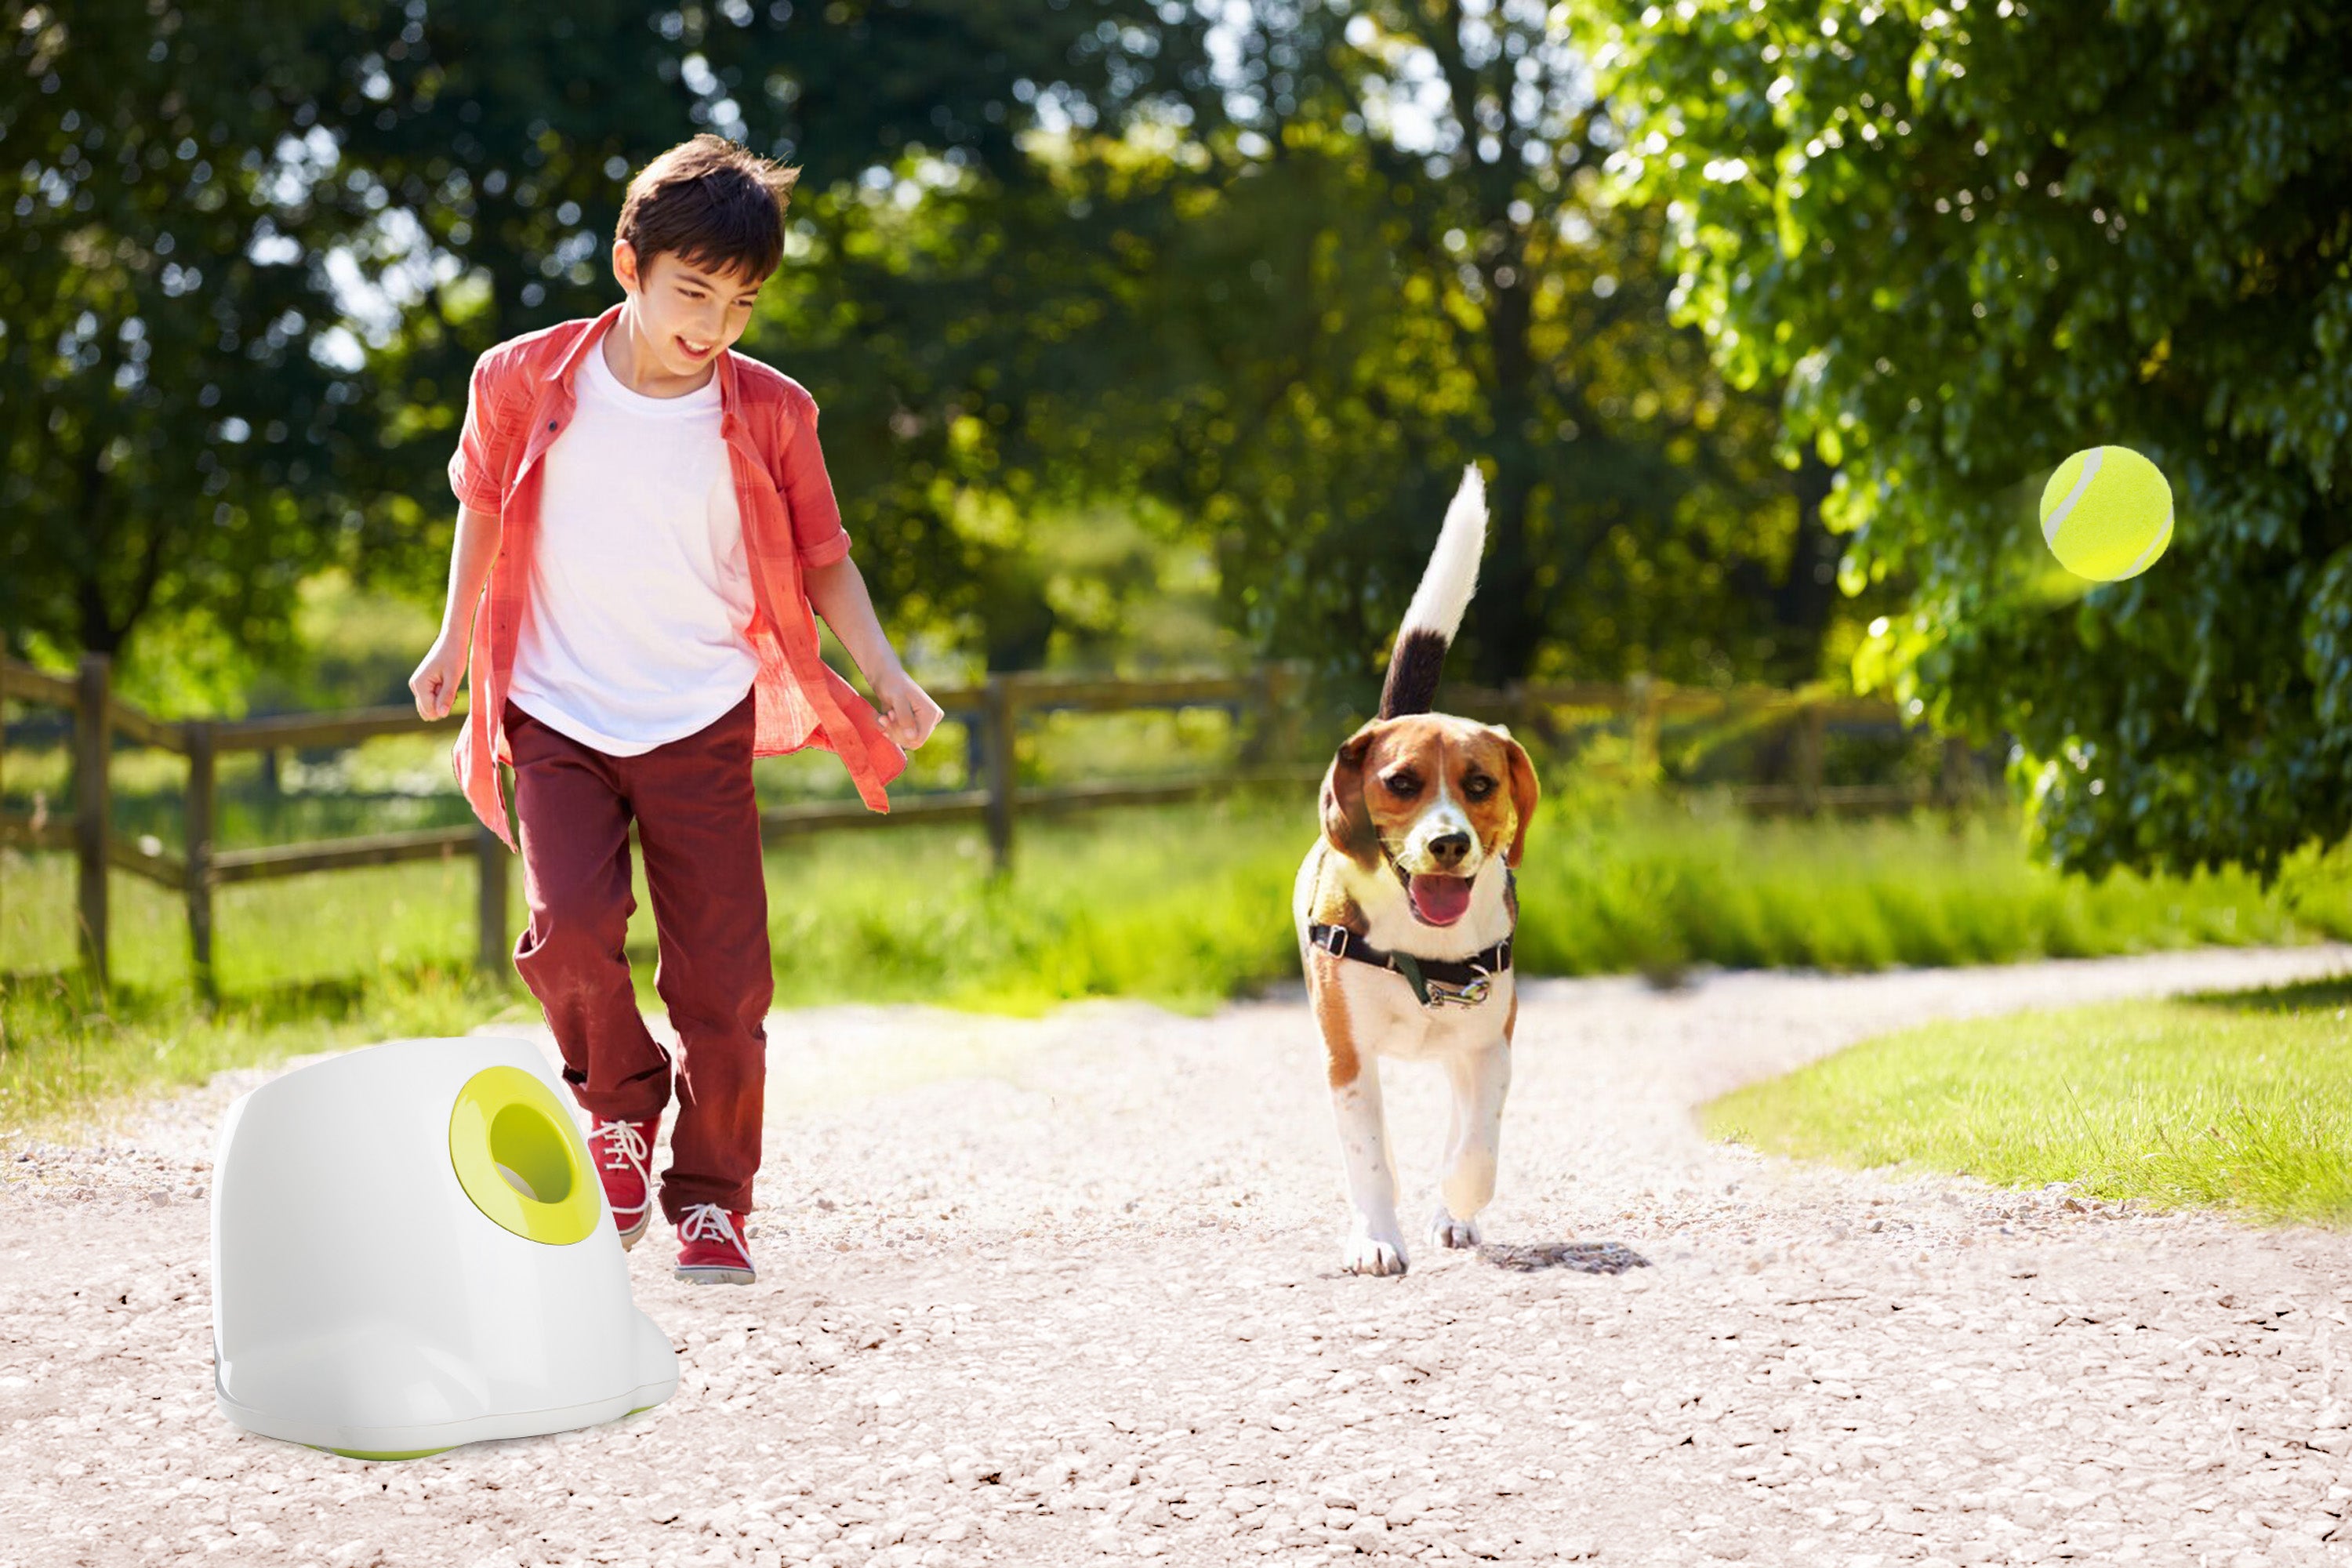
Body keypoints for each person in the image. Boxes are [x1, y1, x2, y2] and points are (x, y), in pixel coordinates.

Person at [408, 134, 943, 1284]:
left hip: (700, 715)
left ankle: (712, 1196)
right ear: (628, 267)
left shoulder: (772, 411)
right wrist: (455, 637)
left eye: (740, 302)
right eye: (691, 292)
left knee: (725, 981)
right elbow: (482, 505)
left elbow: (824, 558)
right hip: (556, 710)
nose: (712, 324)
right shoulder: (521, 379)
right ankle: (616, 1107)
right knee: (571, 932)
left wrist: (886, 672)